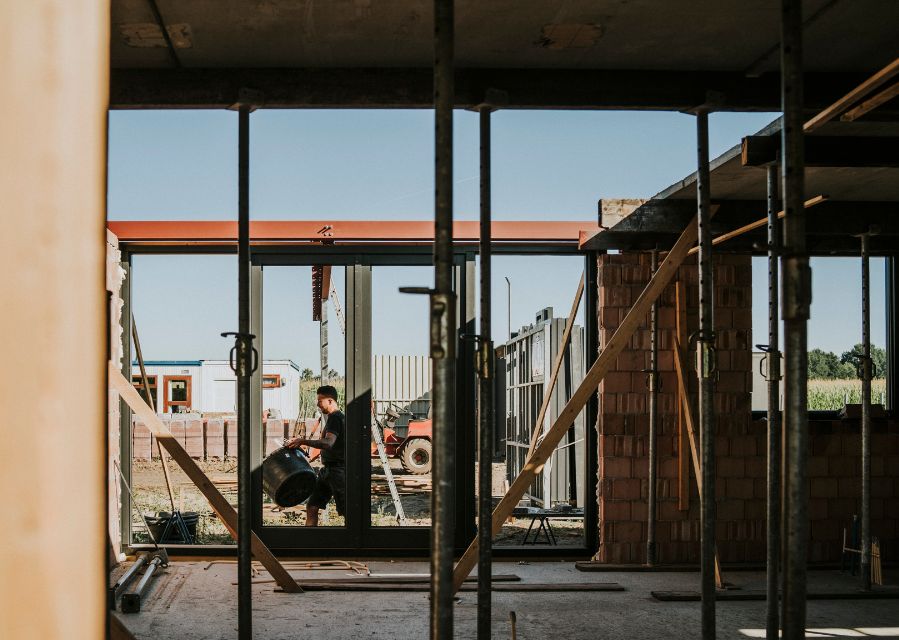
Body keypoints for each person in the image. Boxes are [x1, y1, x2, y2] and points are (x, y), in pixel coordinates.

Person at [285, 385, 346, 526]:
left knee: (347, 511)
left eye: (320, 400)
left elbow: (328, 443)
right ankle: (310, 541)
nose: (317, 404)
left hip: (338, 473)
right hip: (327, 471)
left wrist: (303, 440)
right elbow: (326, 445)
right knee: (312, 506)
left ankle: (351, 543)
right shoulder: (333, 418)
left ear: (330, 401)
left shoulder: (336, 418)